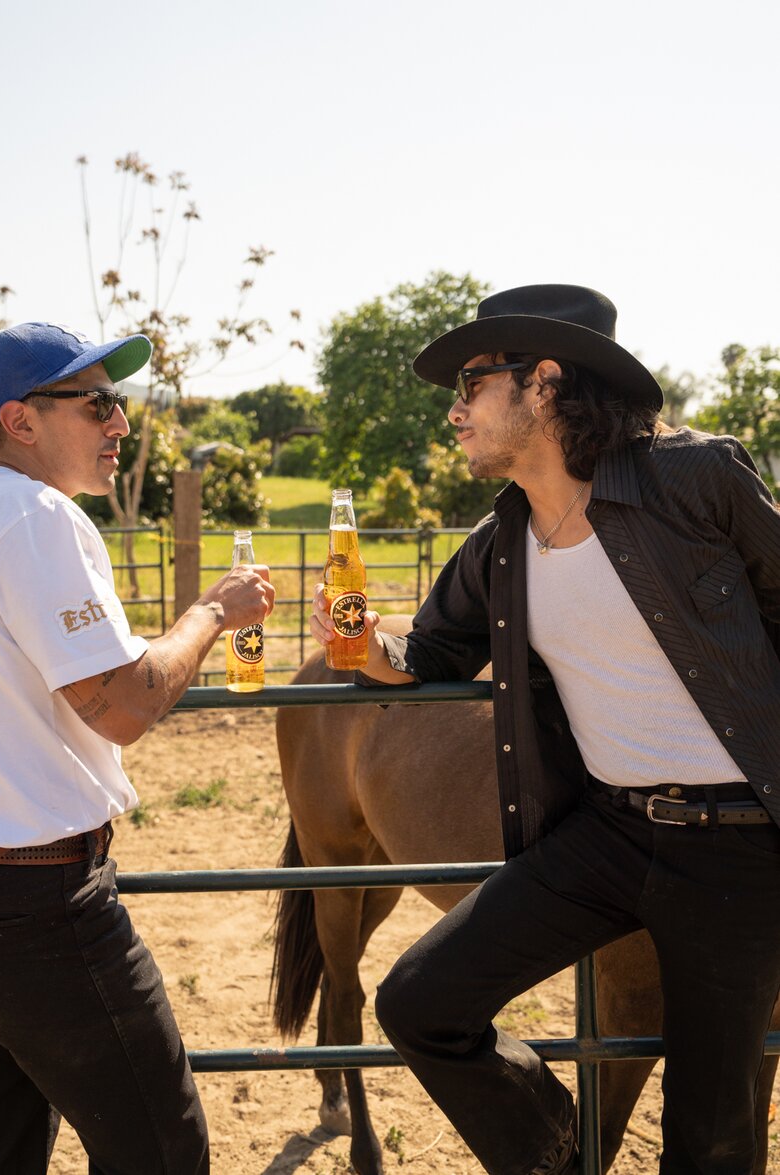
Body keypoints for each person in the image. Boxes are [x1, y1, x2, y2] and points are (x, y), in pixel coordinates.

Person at [310, 285, 780, 1175]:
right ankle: (562, 1151)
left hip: (736, 844)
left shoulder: (698, 480)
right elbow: (431, 650)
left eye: (471, 384)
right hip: (607, 832)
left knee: (713, 1136)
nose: (454, 412)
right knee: (422, 998)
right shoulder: (503, 539)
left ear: (546, 383)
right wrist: (368, 644)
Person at [0, 321, 275, 1174]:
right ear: (21, 421)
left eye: (118, 403)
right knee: (163, 1150)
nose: (121, 424)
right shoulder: (34, 516)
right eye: (98, 402)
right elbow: (122, 703)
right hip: (31, 903)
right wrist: (210, 612)